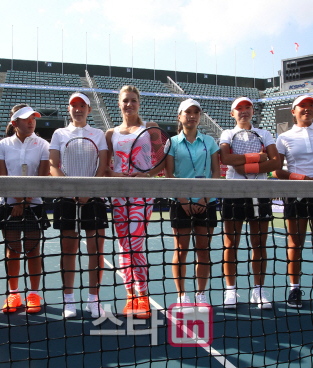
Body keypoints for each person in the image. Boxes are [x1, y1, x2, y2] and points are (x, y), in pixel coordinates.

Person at [105, 85, 163, 319]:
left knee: (133, 245)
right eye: (125, 100)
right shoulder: (111, 134)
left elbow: (163, 161)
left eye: (133, 100)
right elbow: (106, 169)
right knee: (124, 246)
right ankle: (131, 295)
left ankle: (142, 295)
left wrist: (147, 174)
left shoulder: (151, 129)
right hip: (119, 194)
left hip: (142, 194)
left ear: (140, 103)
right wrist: (117, 176)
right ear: (119, 103)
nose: (129, 104)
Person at [273, 95, 313, 308]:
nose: (307, 109)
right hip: (295, 193)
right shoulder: (284, 137)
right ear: (293, 111)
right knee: (295, 243)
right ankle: (295, 289)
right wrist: (301, 178)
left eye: (311, 106)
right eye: (302, 106)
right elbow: (276, 170)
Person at [49, 92, 108, 319]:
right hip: (67, 199)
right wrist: (70, 190)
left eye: (82, 105)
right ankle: (69, 299)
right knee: (68, 250)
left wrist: (89, 191)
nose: (78, 109)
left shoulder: (99, 134)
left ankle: (94, 299)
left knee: (96, 251)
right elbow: (54, 165)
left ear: (88, 109)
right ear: (69, 109)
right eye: (74, 105)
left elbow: (102, 166)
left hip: (94, 198)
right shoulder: (59, 133)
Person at [219, 96, 281, 309]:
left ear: (253, 112)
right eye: (239, 109)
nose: (243, 111)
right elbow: (226, 159)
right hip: (233, 193)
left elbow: (276, 162)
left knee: (259, 244)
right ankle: (231, 291)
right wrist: (259, 158)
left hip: (260, 192)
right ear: (232, 113)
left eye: (247, 108)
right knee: (231, 244)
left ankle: (258, 291)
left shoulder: (265, 133)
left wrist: (245, 165)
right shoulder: (227, 133)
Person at [165, 99, 220, 311]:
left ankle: (201, 294)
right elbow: (169, 175)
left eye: (196, 112)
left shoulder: (210, 142)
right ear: (180, 116)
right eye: (188, 112)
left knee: (203, 250)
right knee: (181, 250)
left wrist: (206, 198)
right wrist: (183, 200)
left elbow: (216, 172)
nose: (192, 115)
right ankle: (182, 295)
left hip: (208, 203)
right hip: (180, 204)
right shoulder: (172, 142)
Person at [0, 104, 50, 314]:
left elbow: (42, 178)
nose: (31, 122)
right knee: (12, 251)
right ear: (14, 122)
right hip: (9, 204)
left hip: (34, 205)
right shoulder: (2, 145)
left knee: (33, 250)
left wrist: (25, 201)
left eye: (33, 119)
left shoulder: (43, 144)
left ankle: (34, 295)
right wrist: (16, 201)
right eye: (26, 119)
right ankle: (13, 293)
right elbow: (2, 176)